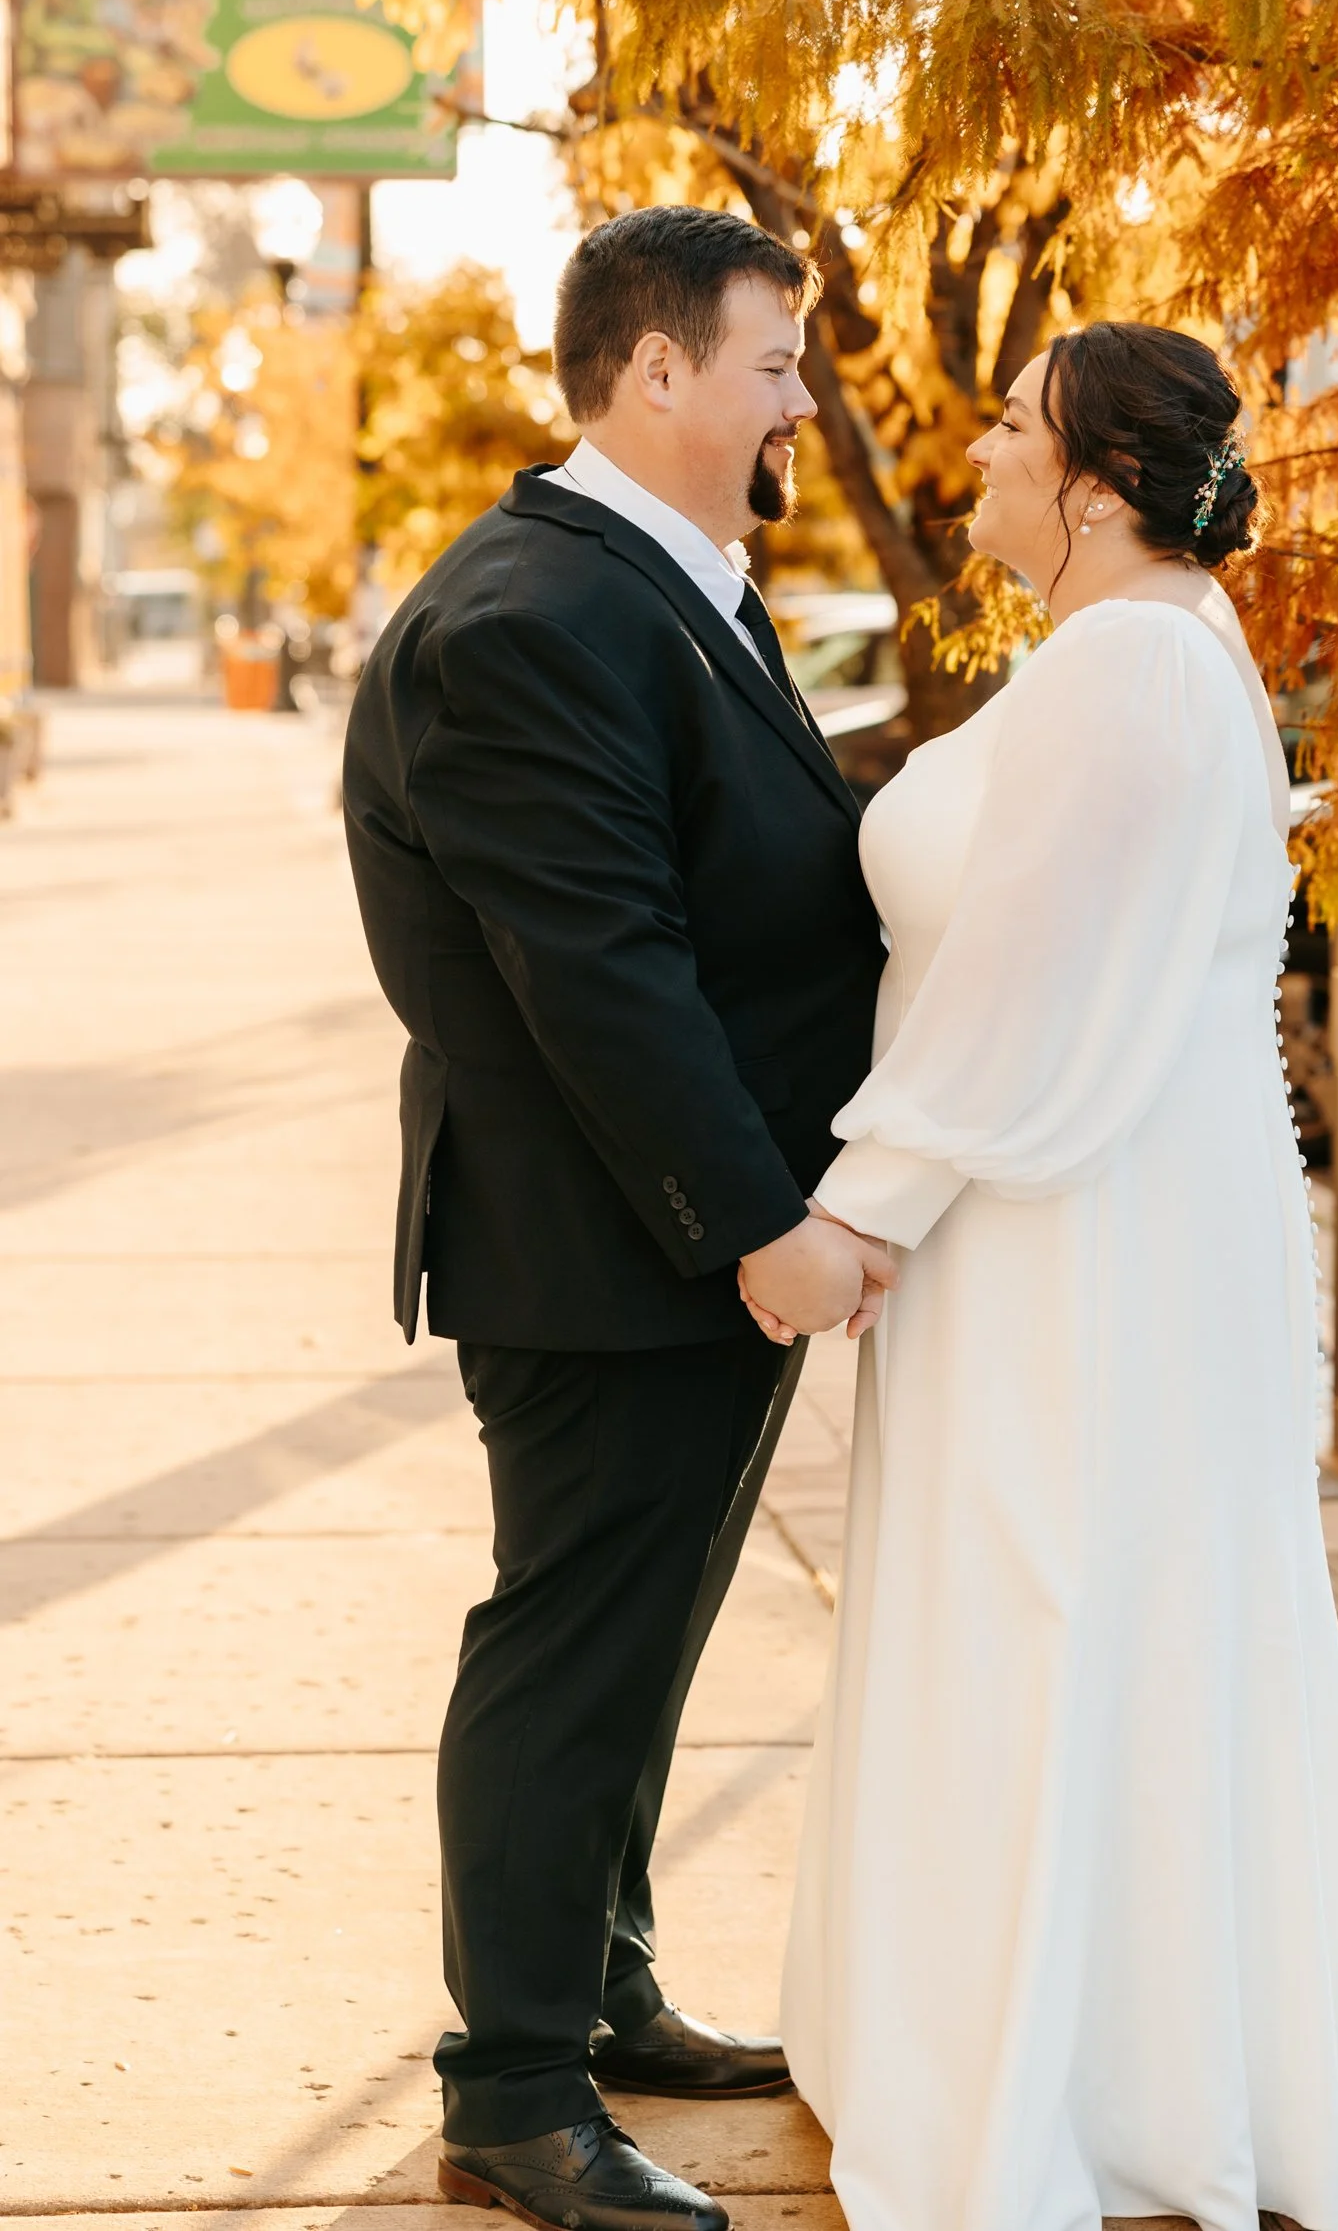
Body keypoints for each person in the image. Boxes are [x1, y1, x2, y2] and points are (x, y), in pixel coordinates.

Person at [753, 323, 1338, 2231]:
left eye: (1006, 428)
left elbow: (1034, 984)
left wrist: (861, 1212)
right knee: (1049, 1598)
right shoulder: (1114, 653)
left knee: (1055, 1598)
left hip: (1083, 1232)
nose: (972, 453)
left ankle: (1067, 2089)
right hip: (1074, 1204)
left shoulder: (1137, 662)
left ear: (1087, 485)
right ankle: (1027, 2047)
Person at [341, 205, 894, 2231]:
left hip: (678, 1243)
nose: (797, 398)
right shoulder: (530, 621)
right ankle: (511, 2083)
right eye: (771, 361)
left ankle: (602, 1988)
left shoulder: (667, 582)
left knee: (638, 1638)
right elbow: (602, 966)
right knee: (568, 1645)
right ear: (652, 370)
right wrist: (753, 1219)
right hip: (606, 1246)